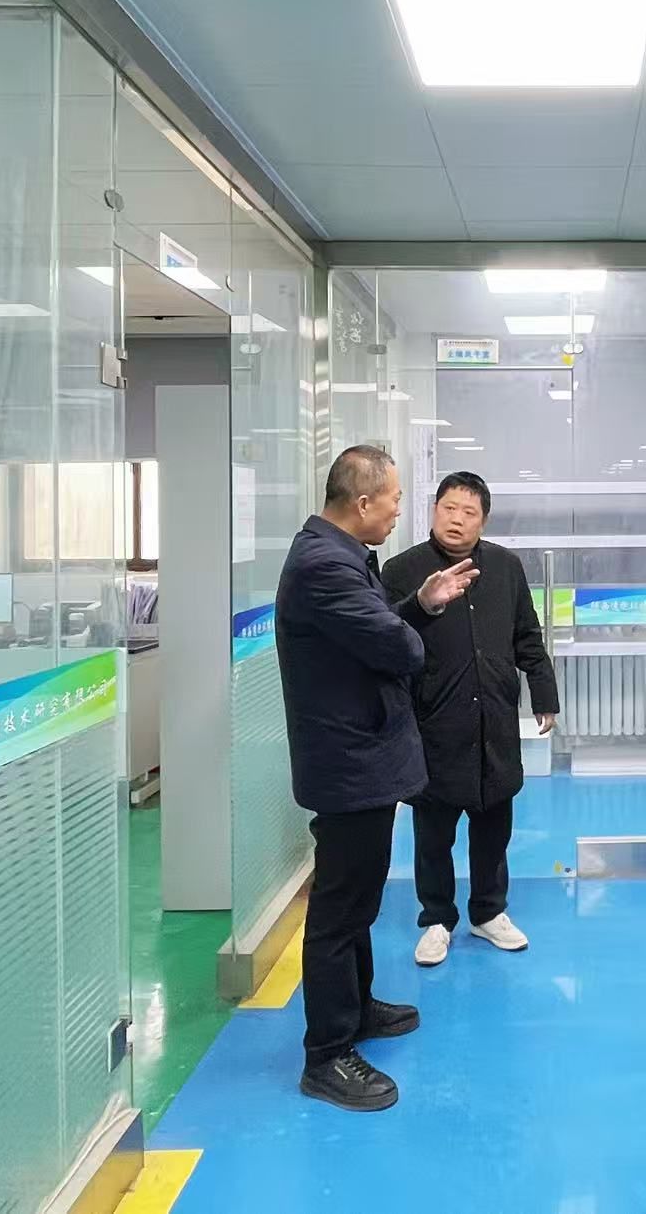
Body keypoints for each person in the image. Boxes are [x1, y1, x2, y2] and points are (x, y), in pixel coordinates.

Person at [275, 445, 477, 1112]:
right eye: (392, 499)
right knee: (339, 911)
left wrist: (418, 604)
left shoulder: (341, 555)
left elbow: (383, 629)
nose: (398, 511)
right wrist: (411, 630)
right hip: (348, 763)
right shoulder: (323, 566)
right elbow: (397, 648)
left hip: (363, 757)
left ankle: (356, 1007)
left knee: (359, 899)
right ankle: (326, 1054)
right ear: (362, 503)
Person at [382, 471, 560, 966]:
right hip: (434, 724)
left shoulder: (504, 567)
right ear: (433, 510)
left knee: (493, 827)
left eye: (469, 512)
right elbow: (386, 637)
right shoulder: (402, 570)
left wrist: (544, 693)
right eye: (449, 508)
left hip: (494, 721)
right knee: (433, 834)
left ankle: (488, 912)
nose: (457, 519)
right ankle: (436, 918)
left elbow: (527, 635)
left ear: (483, 520)